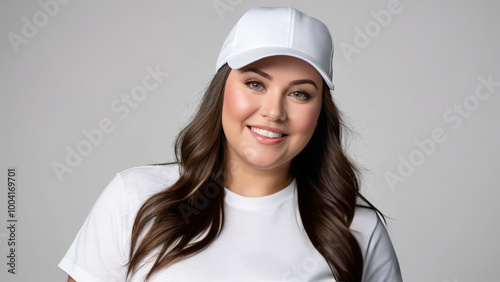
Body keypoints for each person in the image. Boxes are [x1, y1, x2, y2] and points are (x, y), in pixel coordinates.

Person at [59, 6, 403, 282]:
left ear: (319, 111)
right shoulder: (134, 199)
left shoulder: (357, 229)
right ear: (222, 89)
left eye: (299, 93)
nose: (273, 111)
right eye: (255, 83)